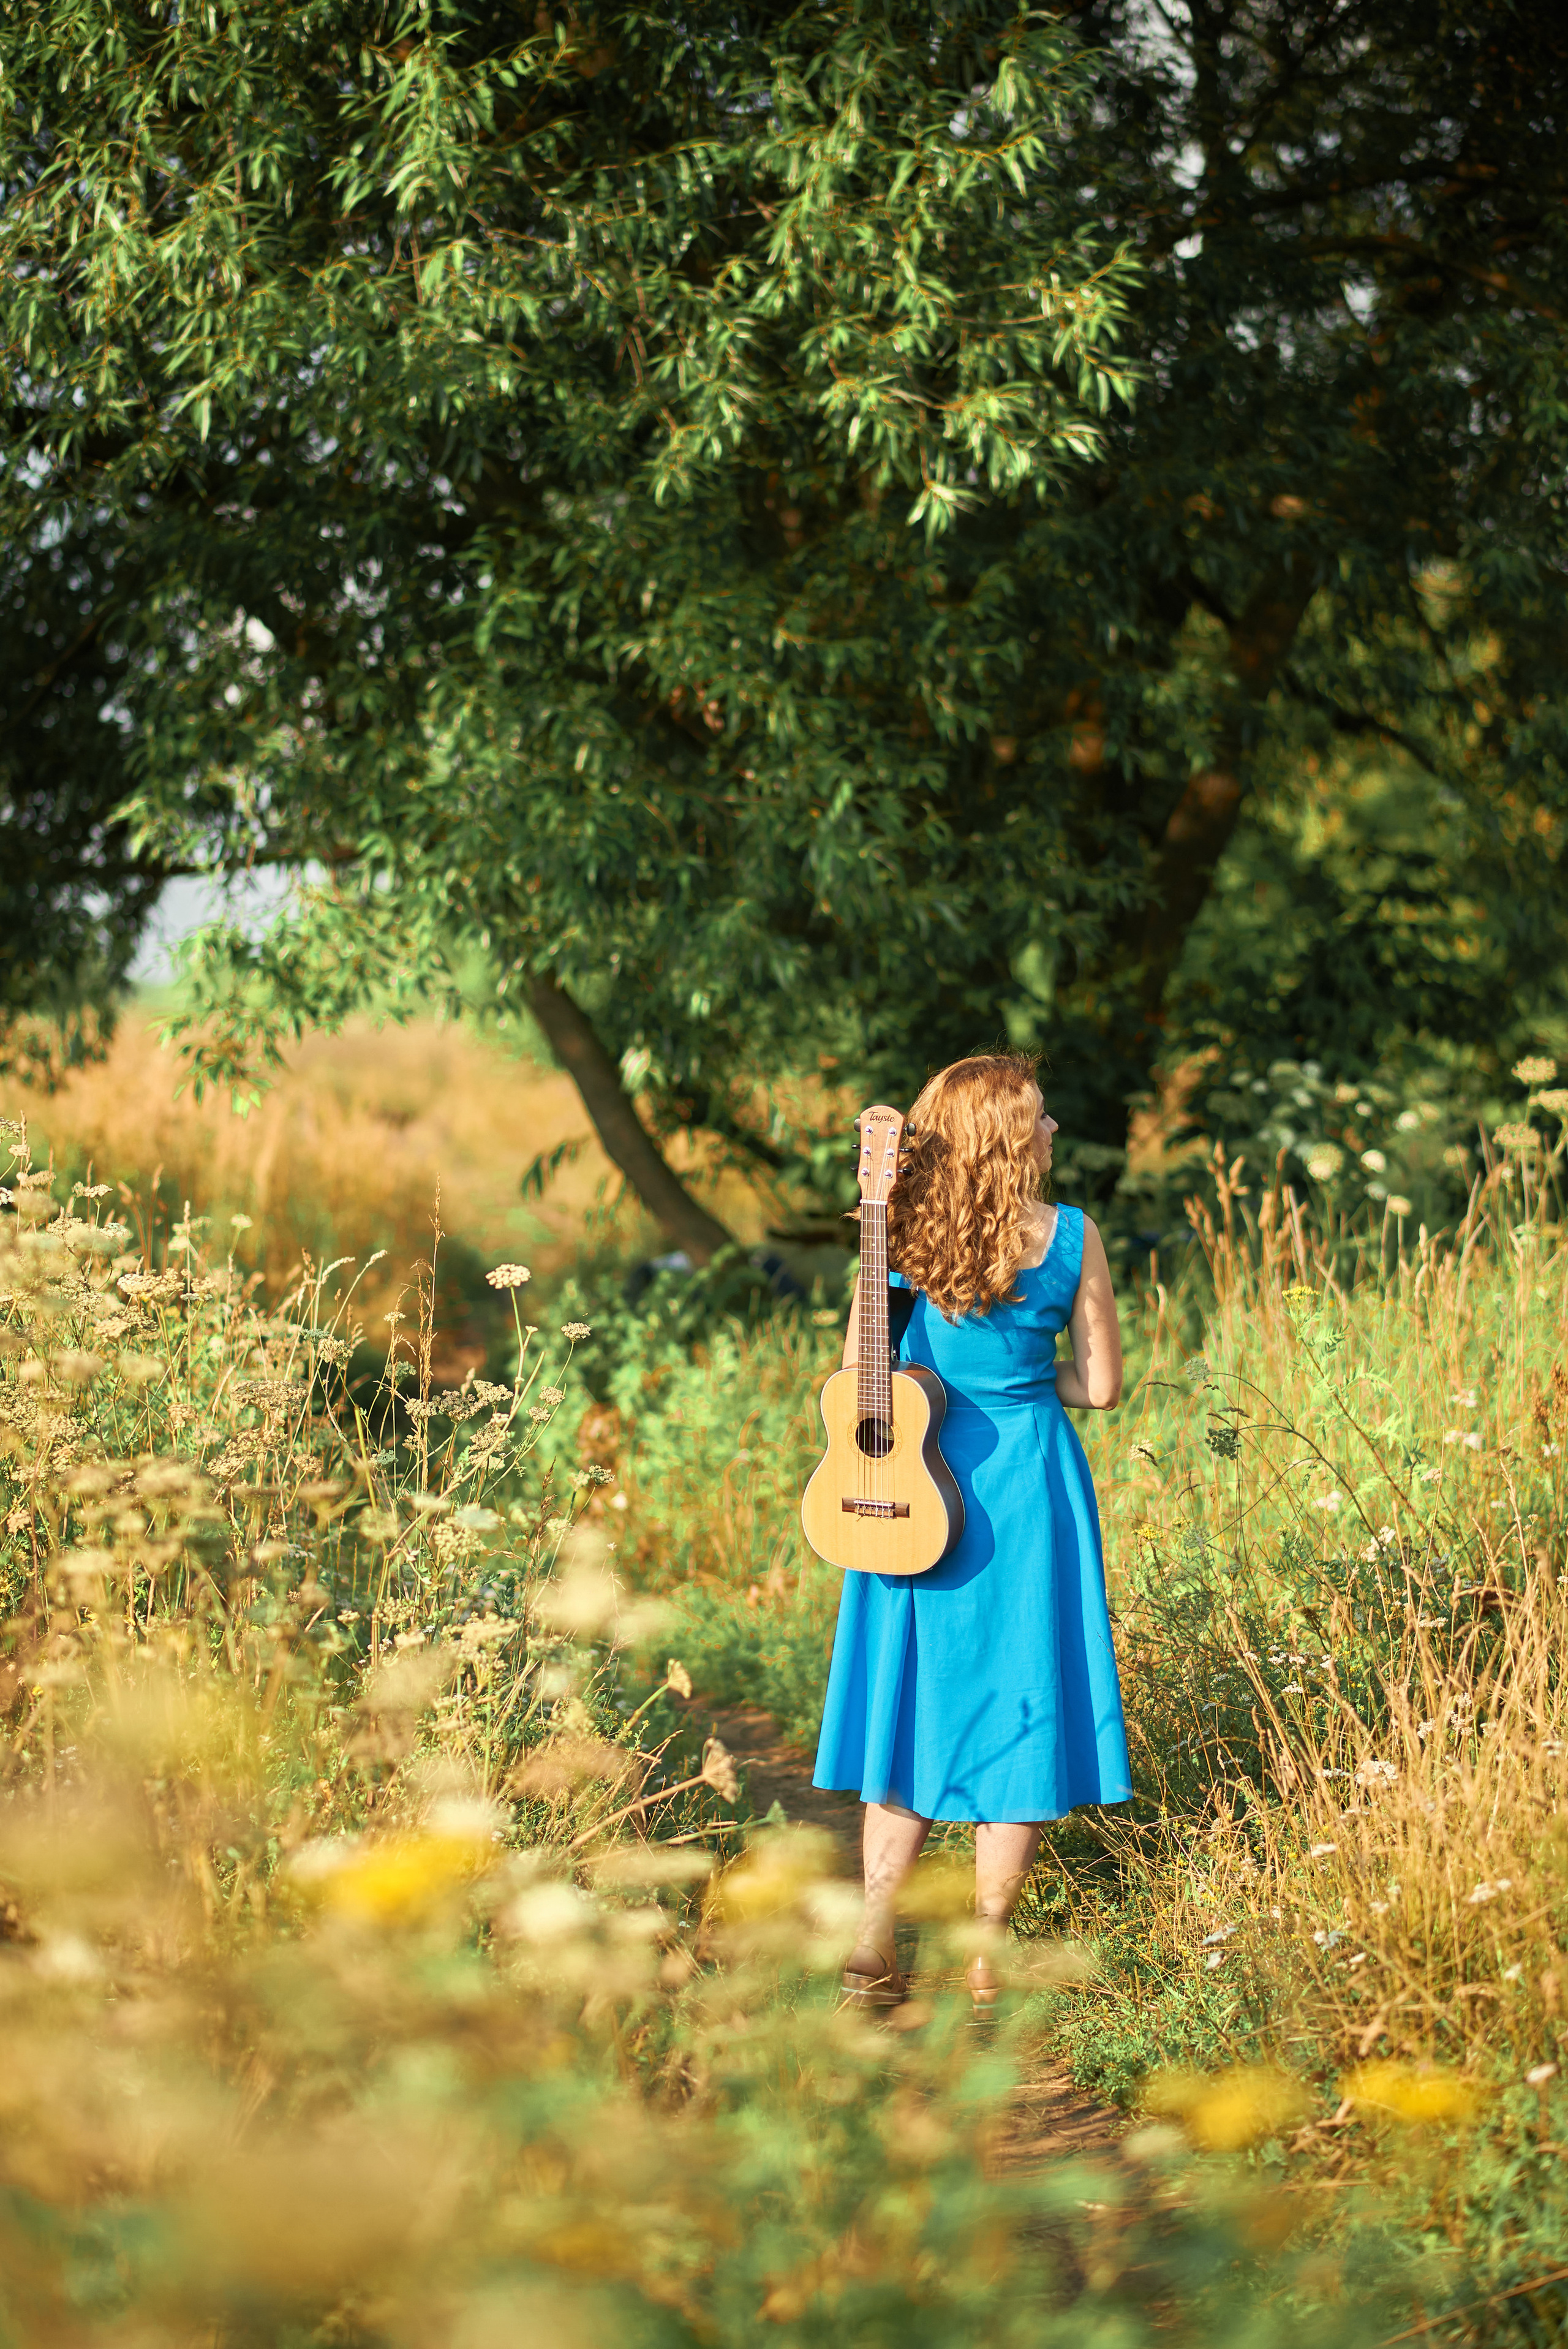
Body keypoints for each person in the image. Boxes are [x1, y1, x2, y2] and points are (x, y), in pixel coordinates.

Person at [812, 1053, 1131, 2008]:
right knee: (1022, 1695)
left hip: (912, 1486)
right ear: (1007, 1136)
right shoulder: (1072, 1236)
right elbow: (1102, 1387)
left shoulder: (902, 1231)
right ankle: (987, 1955)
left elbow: (859, 1373)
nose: (1055, 1129)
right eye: (1041, 1116)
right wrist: (1027, 1381)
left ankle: (874, 1938)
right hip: (1030, 1486)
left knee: (909, 1704)